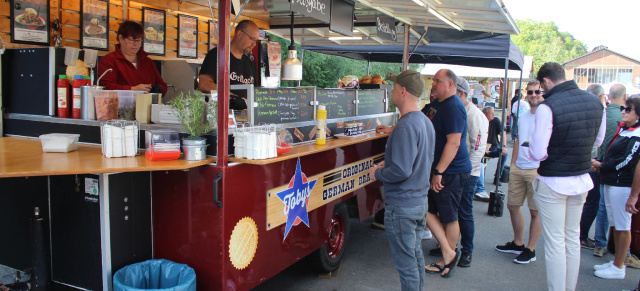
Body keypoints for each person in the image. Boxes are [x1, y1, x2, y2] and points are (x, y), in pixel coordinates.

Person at [529, 62, 605, 291]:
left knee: (555, 243)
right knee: (572, 238)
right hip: (581, 177)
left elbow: (538, 152)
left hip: (553, 180)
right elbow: (598, 142)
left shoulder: (547, 107)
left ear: (545, 82)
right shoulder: (595, 102)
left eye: (541, 87)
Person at [368, 70, 435, 291]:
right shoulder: (424, 122)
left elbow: (401, 171)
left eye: (394, 88)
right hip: (418, 202)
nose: (392, 92)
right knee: (415, 259)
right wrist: (392, 163)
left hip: (403, 206)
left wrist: (376, 174)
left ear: (403, 92)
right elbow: (417, 160)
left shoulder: (406, 125)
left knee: (407, 265)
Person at [423, 69, 470, 277]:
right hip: (438, 169)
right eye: (433, 80)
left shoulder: (453, 107)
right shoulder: (438, 104)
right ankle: (448, 252)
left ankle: (447, 258)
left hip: (451, 171)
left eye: (438, 81)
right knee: (428, 209)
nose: (434, 84)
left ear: (451, 84)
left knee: (449, 216)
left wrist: (439, 171)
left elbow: (454, 142)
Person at [495, 81, 544, 264]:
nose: (533, 95)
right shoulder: (523, 117)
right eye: (530, 92)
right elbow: (517, 140)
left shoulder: (546, 115)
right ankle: (518, 243)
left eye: (537, 92)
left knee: (535, 212)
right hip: (519, 167)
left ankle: (530, 249)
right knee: (512, 206)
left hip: (537, 169)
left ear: (543, 93)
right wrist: (514, 164)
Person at [591, 97, 640, 279]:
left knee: (622, 225)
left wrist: (601, 165)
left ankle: (619, 266)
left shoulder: (636, 134)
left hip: (622, 184)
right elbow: (611, 152)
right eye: (623, 108)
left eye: (628, 109)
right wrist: (601, 162)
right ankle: (617, 262)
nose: (624, 111)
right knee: (616, 224)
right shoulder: (625, 130)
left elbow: (628, 160)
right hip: (611, 182)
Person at [455, 76, 488, 267]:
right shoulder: (459, 110)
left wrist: (467, 170)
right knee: (452, 210)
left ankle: (467, 250)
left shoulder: (475, 115)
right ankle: (450, 246)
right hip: (457, 170)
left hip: (468, 172)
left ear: (460, 93)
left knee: (464, 211)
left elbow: (478, 146)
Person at [593, 84, 626, 257]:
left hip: (600, 163)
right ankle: (621, 253)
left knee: (602, 207)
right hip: (610, 167)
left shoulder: (606, 113)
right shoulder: (620, 117)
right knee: (615, 212)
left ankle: (600, 244)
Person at [198, 20, 260, 110]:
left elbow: (254, 90)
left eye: (256, 41)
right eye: (252, 39)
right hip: (222, 116)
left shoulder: (248, 61)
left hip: (246, 118)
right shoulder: (218, 55)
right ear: (239, 34)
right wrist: (234, 97)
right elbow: (204, 84)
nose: (254, 44)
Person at [98, 20, 167, 95]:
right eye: (132, 40)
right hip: (120, 106)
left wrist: (159, 89)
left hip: (146, 105)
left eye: (139, 40)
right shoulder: (109, 60)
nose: (136, 44)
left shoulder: (147, 62)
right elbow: (106, 87)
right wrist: (132, 89)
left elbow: (162, 85)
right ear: (120, 38)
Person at [579, 84, 607, 250]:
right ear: (601, 97)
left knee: (584, 200)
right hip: (591, 160)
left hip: (577, 160)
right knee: (591, 200)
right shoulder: (600, 111)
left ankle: (578, 234)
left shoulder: (579, 108)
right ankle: (581, 236)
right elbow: (599, 141)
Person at [483, 107, 508, 185]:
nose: (493, 114)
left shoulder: (496, 120)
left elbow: (503, 133)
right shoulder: (481, 121)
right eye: (491, 113)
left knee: (504, 154)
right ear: (485, 114)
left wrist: (503, 146)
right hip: (481, 147)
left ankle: (497, 177)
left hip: (493, 147)